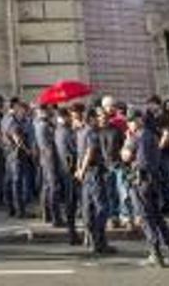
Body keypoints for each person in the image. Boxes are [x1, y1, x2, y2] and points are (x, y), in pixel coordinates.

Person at [122, 110, 169, 267]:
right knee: (158, 217)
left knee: (146, 218)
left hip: (141, 181)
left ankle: (156, 253)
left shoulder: (135, 137)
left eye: (131, 121)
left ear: (139, 121)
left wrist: (126, 140)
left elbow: (125, 156)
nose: (129, 124)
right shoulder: (153, 136)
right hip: (154, 180)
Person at [75, 108, 116, 256]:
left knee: (89, 208)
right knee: (101, 208)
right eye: (97, 117)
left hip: (86, 175)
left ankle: (92, 241)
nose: (99, 120)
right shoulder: (91, 132)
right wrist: (82, 169)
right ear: (91, 119)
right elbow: (89, 152)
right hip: (93, 173)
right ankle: (99, 242)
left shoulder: (80, 132)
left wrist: (79, 170)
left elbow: (79, 153)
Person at [55, 105, 81, 245]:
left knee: (70, 203)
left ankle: (72, 233)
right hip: (70, 171)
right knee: (71, 203)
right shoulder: (66, 132)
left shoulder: (59, 131)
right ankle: (72, 234)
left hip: (64, 170)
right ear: (64, 118)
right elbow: (75, 149)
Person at [34, 104, 62, 226]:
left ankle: (46, 214)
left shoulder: (38, 123)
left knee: (46, 186)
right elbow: (53, 140)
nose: (49, 112)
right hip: (49, 157)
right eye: (46, 110)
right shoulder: (45, 125)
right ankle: (56, 217)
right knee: (53, 186)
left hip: (44, 157)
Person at [4, 98, 32, 217]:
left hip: (9, 153)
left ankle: (11, 209)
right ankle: (20, 211)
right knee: (17, 183)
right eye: (20, 107)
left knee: (10, 182)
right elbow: (17, 139)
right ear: (15, 107)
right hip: (16, 154)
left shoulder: (5, 119)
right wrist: (28, 150)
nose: (22, 110)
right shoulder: (12, 121)